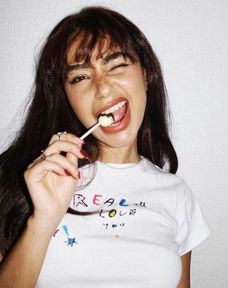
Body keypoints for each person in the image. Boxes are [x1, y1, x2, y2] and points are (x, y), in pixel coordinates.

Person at [0, 6, 210, 287]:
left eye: (116, 65)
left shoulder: (177, 195)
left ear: (145, 75)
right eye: (80, 77)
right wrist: (42, 220)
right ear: (66, 97)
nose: (102, 88)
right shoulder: (21, 182)